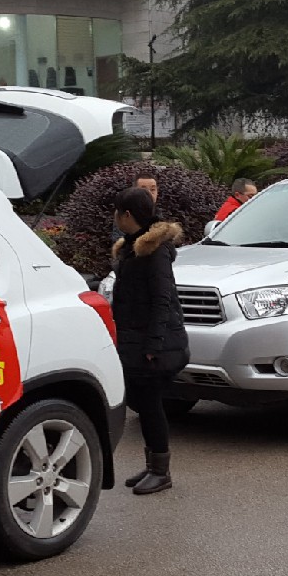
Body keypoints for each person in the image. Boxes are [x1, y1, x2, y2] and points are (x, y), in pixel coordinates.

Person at [111, 187, 188, 494]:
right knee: (143, 404)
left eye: (118, 212)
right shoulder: (133, 247)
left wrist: (154, 345)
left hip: (154, 343)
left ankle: (161, 471)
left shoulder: (154, 252)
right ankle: (152, 465)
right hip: (136, 340)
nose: (115, 217)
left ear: (127, 215)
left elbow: (162, 300)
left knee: (151, 405)